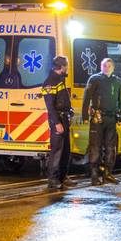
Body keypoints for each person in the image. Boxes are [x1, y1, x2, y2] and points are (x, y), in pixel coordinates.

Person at [82, 58, 121, 185]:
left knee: (111, 148)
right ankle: (95, 176)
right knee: (95, 147)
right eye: (104, 65)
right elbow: (86, 98)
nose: (106, 68)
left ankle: (108, 174)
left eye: (109, 66)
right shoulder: (94, 79)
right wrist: (85, 116)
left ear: (113, 67)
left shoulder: (117, 81)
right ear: (101, 67)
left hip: (111, 119)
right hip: (98, 118)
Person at [42, 56, 76, 190]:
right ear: (62, 66)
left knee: (66, 151)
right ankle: (53, 179)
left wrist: (70, 110)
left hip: (64, 118)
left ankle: (63, 176)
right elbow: (50, 106)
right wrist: (57, 123)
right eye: (66, 65)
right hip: (58, 120)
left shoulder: (59, 80)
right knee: (57, 151)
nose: (67, 68)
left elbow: (62, 101)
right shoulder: (50, 82)